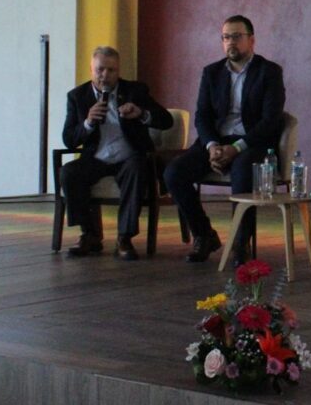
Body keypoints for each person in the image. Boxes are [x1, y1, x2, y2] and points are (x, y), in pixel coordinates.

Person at [164, 16, 285, 263]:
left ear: (251, 40)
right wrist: (212, 146)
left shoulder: (269, 72)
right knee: (173, 173)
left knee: (243, 170)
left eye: (237, 36)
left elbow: (270, 121)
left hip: (252, 143)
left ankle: (241, 243)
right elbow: (202, 116)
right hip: (216, 142)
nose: (231, 42)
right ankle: (204, 234)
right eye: (226, 37)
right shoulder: (212, 72)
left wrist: (236, 148)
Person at [60, 46, 173, 260]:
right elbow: (69, 139)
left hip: (129, 156)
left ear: (118, 70)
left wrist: (141, 114)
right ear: (91, 69)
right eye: (100, 69)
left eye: (111, 70)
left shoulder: (135, 91)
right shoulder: (77, 96)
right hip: (96, 158)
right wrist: (88, 122)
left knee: (137, 168)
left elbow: (166, 120)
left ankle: (124, 238)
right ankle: (90, 234)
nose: (105, 75)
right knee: (69, 172)